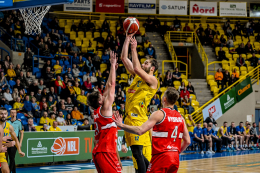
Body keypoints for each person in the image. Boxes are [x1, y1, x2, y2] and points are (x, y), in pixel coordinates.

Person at [113, 87, 190, 173]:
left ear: (164, 98)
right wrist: (175, 152)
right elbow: (187, 141)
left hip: (161, 157)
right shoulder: (181, 118)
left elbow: (140, 130)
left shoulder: (159, 114)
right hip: (175, 157)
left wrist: (121, 125)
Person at [121, 33, 159, 173]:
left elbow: (137, 67)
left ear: (152, 68)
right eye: (143, 62)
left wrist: (134, 48)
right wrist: (127, 39)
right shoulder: (137, 77)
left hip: (139, 119)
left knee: (138, 153)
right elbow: (124, 58)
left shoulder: (153, 80)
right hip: (129, 119)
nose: (143, 64)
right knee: (137, 157)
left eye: (146, 63)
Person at [87, 51, 122, 173]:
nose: (104, 96)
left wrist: (113, 70)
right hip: (106, 152)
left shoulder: (98, 111)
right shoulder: (105, 109)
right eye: (102, 97)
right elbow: (112, 86)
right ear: (101, 102)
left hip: (101, 152)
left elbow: (107, 85)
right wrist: (112, 65)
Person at [0, 107, 25, 173]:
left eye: (5, 114)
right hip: (2, 148)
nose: (3, 115)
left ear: (7, 114)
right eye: (1, 114)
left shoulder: (9, 126)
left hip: (1, 152)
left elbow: (16, 139)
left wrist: (19, 150)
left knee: (6, 170)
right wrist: (4, 142)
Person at [7, 109, 24, 173]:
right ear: (10, 114)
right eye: (12, 112)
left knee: (12, 157)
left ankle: (9, 171)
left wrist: (20, 142)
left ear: (16, 114)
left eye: (14, 112)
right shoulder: (7, 122)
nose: (13, 114)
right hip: (7, 140)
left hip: (15, 140)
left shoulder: (19, 122)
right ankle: (14, 171)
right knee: (10, 157)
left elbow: (21, 133)